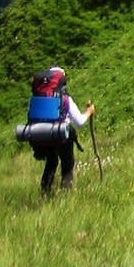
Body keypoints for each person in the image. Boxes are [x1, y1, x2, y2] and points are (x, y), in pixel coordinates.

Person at [32, 66, 96, 196]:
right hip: (61, 135)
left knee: (52, 162)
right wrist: (89, 111)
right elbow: (79, 122)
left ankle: (45, 194)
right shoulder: (65, 99)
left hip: (42, 135)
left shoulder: (37, 99)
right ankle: (67, 196)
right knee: (67, 164)